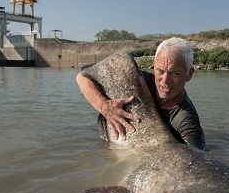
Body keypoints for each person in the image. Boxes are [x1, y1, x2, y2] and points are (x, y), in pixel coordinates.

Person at [76, 37, 206, 150]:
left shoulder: (187, 121)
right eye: (160, 71)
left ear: (189, 74)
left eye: (175, 73)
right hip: (105, 141)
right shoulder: (138, 79)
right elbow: (82, 77)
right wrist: (104, 106)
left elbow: (197, 160)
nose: (165, 81)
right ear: (153, 66)